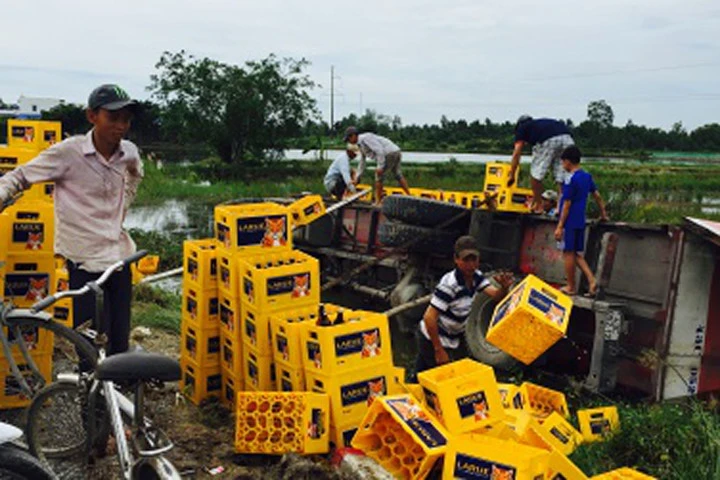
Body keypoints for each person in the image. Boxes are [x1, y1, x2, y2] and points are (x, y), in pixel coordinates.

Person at [0, 84, 143, 365]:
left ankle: (115, 397)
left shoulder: (129, 152)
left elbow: (136, 174)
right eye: (113, 118)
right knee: (88, 340)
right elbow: (20, 176)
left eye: (126, 119)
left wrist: (124, 205)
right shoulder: (68, 153)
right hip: (84, 260)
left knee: (119, 338)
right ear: (92, 116)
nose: (121, 126)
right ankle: (90, 401)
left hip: (119, 256)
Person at [414, 236, 514, 376]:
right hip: (432, 338)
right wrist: (439, 349)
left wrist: (504, 288)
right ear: (456, 259)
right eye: (466, 260)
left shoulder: (476, 277)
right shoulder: (450, 285)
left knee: (422, 376)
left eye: (474, 260)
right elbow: (429, 318)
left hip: (452, 338)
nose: (471, 265)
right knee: (441, 378)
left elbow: (496, 296)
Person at [554, 146, 608, 297]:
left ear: (567, 161)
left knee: (568, 253)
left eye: (563, 162)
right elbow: (597, 196)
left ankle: (571, 286)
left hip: (569, 220)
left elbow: (567, 204)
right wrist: (603, 213)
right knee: (576, 254)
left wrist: (560, 226)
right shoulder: (586, 176)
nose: (563, 166)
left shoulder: (571, 179)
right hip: (580, 220)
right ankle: (591, 280)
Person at [507, 115, 575, 213]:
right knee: (562, 178)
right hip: (568, 139)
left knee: (535, 175)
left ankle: (538, 207)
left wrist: (512, 175)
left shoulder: (523, 127)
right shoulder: (541, 124)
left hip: (548, 140)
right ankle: (560, 208)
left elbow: (516, 153)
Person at [343, 126, 410, 204]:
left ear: (354, 135)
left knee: (378, 176)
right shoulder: (360, 145)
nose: (349, 142)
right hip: (395, 151)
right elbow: (362, 161)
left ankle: (378, 202)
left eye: (349, 139)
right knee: (397, 174)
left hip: (389, 153)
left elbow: (379, 150)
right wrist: (358, 177)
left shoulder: (366, 138)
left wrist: (380, 166)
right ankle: (409, 194)